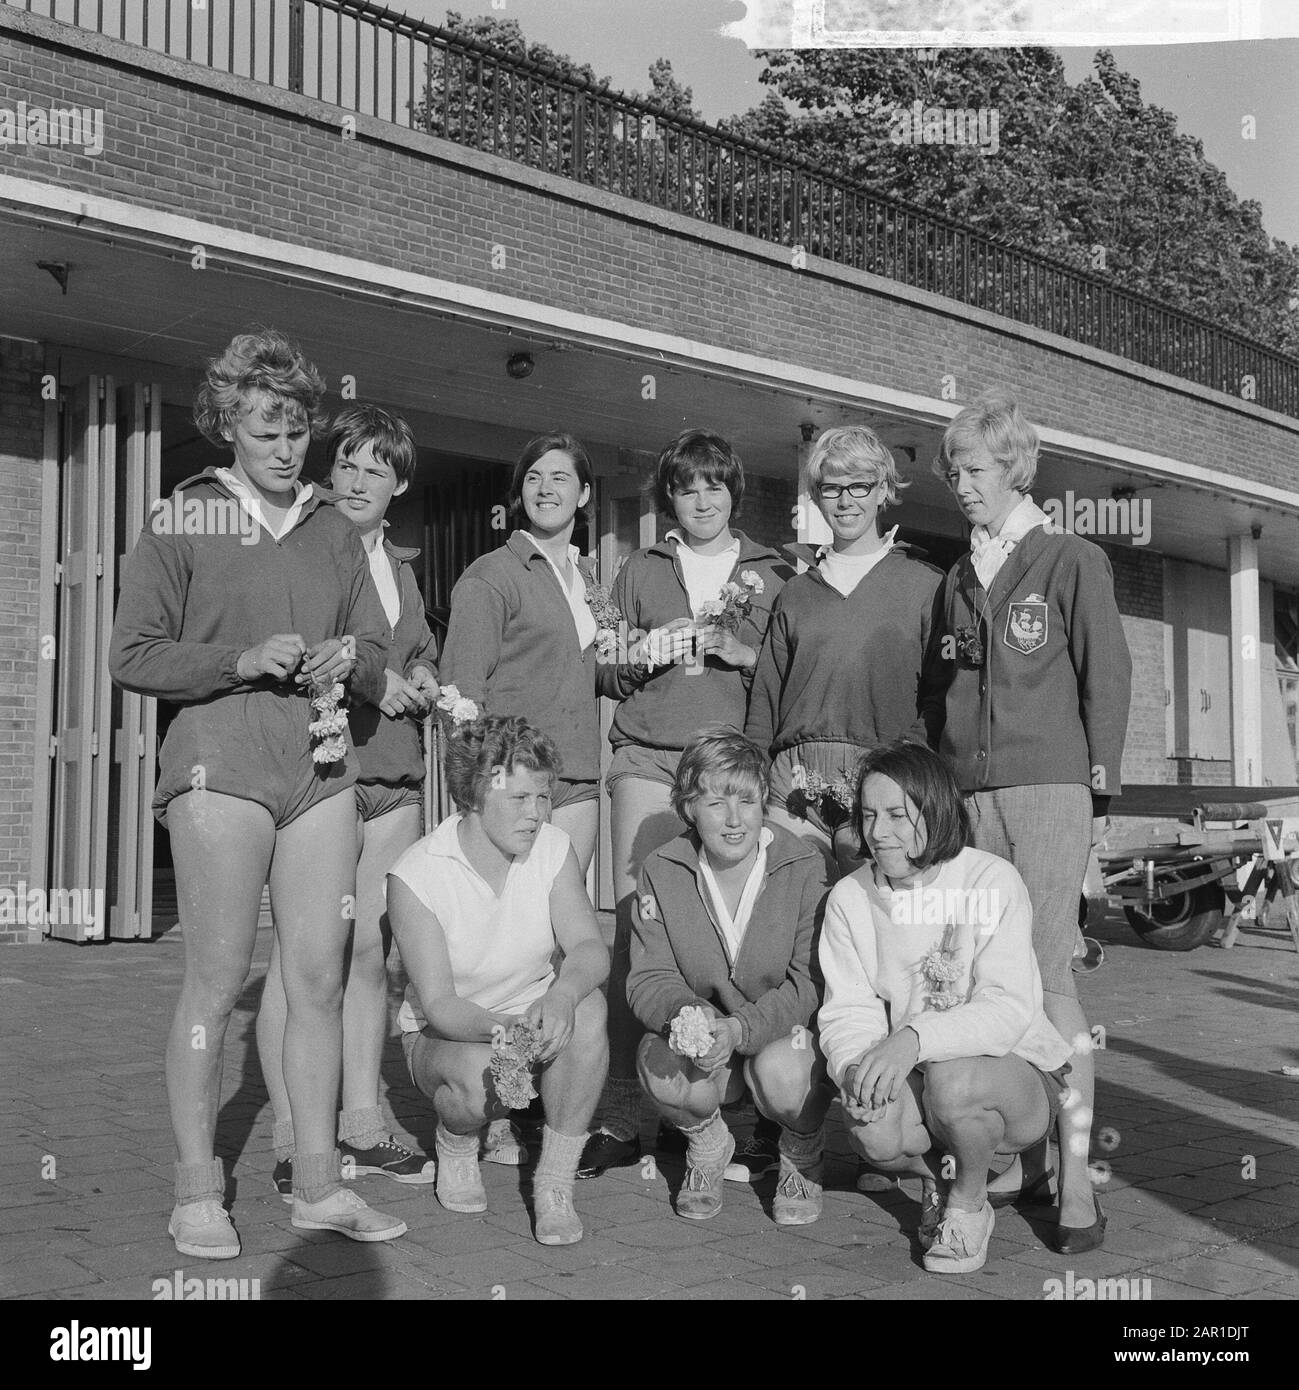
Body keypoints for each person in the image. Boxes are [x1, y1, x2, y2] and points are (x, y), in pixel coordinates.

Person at [109, 330, 406, 1258]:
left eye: (297, 431)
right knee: (211, 978)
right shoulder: (183, 515)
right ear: (227, 425)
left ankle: (318, 1183)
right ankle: (197, 1193)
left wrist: (354, 657)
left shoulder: (332, 527)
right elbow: (131, 654)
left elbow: (378, 650)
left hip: (319, 773)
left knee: (317, 979)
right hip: (218, 766)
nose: (287, 449)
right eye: (266, 429)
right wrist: (237, 659)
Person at [923, 389, 1132, 1253]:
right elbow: (937, 694)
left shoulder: (1068, 559)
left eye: (971, 469)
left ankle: (1075, 1181)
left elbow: (1105, 674)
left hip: (1048, 790)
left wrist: (1100, 797)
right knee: (984, 978)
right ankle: (1023, 1158)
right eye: (951, 471)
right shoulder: (954, 576)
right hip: (971, 800)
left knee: (1049, 977)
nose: (959, 485)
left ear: (1013, 467)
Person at [581, 429, 793, 1182]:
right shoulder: (639, 569)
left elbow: (794, 670)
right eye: (685, 487)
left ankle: (729, 1108)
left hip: (732, 766)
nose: (701, 500)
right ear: (667, 496)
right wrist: (640, 652)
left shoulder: (775, 573)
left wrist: (747, 654)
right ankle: (619, 1112)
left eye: (714, 486)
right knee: (639, 922)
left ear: (734, 493)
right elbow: (600, 671)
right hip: (647, 757)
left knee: (735, 933)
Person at [256, 405, 441, 1198]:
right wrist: (371, 678)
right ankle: (298, 1134)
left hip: (392, 780)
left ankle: (362, 1122)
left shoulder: (399, 567)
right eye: (349, 463)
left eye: (378, 468)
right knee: (302, 963)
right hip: (323, 777)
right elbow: (292, 654)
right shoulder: (300, 545)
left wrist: (425, 678)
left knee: (369, 954)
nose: (359, 479)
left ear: (399, 485)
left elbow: (418, 650)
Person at [817, 741, 1074, 1274]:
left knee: (955, 1081)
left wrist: (912, 1039)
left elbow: (1008, 1011)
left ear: (934, 812)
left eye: (896, 815)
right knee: (872, 1132)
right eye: (868, 816)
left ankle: (968, 1205)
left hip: (1014, 1077)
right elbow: (847, 1010)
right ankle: (941, 1177)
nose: (878, 832)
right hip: (920, 1075)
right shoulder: (849, 897)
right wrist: (855, 1071)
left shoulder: (990, 879)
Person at [388, 716, 610, 1246]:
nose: (536, 815)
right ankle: (458, 1139)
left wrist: (561, 994)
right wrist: (508, 1030)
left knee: (590, 1008)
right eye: (519, 799)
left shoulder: (554, 848)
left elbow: (587, 948)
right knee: (480, 1075)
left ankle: (554, 1183)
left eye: (543, 797)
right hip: (448, 1034)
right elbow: (439, 1003)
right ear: (475, 793)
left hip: (531, 1009)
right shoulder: (416, 874)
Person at [628, 731, 832, 1223]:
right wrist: (690, 1017)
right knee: (657, 1060)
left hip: (782, 1036)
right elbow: (648, 977)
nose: (735, 819)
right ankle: (708, 1144)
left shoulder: (805, 865)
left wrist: (741, 1029)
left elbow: (812, 983)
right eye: (717, 802)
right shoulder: (662, 867)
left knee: (784, 1074)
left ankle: (801, 1152)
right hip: (706, 1036)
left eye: (747, 800)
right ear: (689, 807)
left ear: (764, 799)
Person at [745, 426, 944, 878]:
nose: (846, 500)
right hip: (794, 785)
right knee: (800, 923)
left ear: (884, 491)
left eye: (860, 486)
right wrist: (753, 775)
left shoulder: (925, 586)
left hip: (882, 782)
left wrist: (903, 768)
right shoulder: (795, 593)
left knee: (875, 925)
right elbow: (766, 699)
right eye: (832, 488)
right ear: (817, 496)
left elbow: (940, 696)